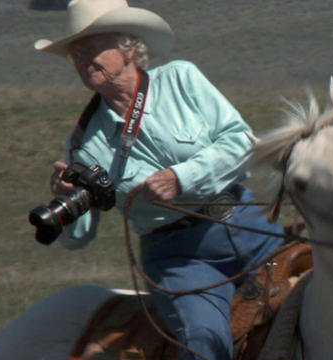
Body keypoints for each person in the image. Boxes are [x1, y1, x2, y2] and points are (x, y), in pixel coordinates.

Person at [34, 1, 284, 359]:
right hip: (181, 260)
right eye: (76, 54)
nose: (83, 59)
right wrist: (64, 199)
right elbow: (78, 237)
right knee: (203, 342)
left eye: (91, 48)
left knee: (327, 294)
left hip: (250, 225)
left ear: (129, 48)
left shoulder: (182, 79)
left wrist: (181, 178)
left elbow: (242, 142)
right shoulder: (81, 145)